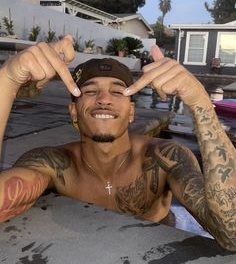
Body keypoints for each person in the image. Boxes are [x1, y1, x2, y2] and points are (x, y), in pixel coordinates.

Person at [0, 36, 235, 251]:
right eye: (90, 92)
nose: (104, 100)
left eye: (117, 92)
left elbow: (231, 234)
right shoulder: (51, 163)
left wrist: (199, 102)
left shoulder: (165, 157)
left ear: (132, 112)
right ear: (73, 111)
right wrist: (7, 80)